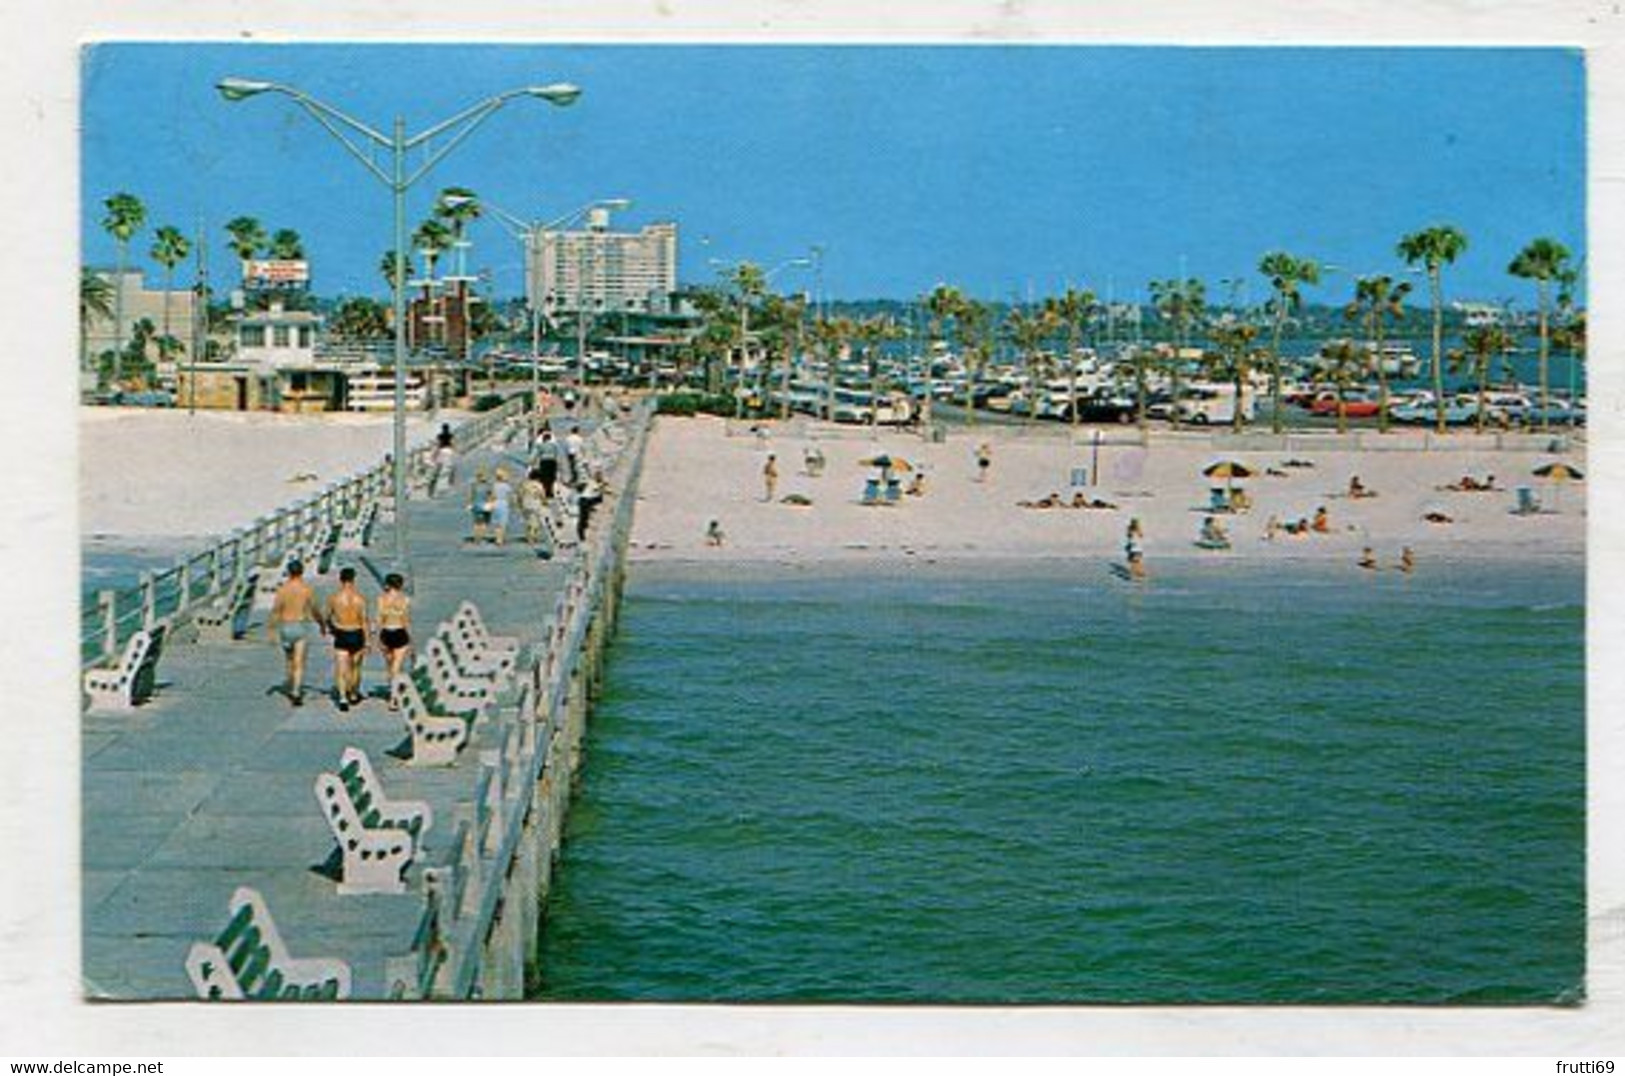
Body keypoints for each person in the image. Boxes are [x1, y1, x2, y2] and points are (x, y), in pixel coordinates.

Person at [266, 558, 321, 707]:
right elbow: (315, 609)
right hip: (300, 626)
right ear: (301, 572)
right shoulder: (306, 589)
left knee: (289, 660)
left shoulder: (283, 589)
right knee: (299, 662)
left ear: (289, 572)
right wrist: (322, 624)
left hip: (285, 626)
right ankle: (296, 691)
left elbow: (276, 611)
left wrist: (271, 630)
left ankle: (290, 684)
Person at [326, 567, 368, 711]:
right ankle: (354, 694)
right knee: (356, 667)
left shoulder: (334, 598)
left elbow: (328, 618)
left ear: (340, 579)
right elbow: (364, 621)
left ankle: (343, 698)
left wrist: (332, 629)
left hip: (342, 633)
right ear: (353, 579)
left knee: (341, 668)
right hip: (357, 633)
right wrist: (367, 641)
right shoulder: (360, 599)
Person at [374, 573, 412, 709]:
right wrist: (411, 639)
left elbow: (379, 620)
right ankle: (394, 698)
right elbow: (406, 621)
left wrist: (377, 638)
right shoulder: (405, 600)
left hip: (386, 632)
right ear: (401, 585)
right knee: (396, 666)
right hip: (400, 632)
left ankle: (393, 690)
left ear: (387, 584)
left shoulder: (381, 599)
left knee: (390, 666)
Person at [520, 467, 548, 545]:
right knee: (535, 523)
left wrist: (520, 504)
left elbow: (520, 494)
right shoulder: (539, 485)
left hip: (525, 504)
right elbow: (542, 495)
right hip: (535, 505)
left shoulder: (525, 484)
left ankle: (529, 536)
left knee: (528, 521)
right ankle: (532, 538)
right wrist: (545, 502)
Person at [575, 469, 605, 542]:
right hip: (585, 500)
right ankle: (581, 536)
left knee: (585, 517)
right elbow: (597, 489)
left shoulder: (595, 483)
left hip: (587, 500)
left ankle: (582, 532)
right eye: (599, 476)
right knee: (583, 518)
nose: (600, 477)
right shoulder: (593, 483)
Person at [532, 429, 562, 499]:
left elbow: (535, 454)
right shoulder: (554, 445)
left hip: (544, 462)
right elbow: (558, 454)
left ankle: (546, 492)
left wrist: (531, 462)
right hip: (552, 462)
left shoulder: (540, 445)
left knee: (545, 478)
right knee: (551, 477)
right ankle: (551, 491)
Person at [467, 467, 493, 543]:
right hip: (485, 505)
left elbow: (470, 495)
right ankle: (481, 536)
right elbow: (490, 496)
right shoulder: (488, 486)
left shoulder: (473, 485)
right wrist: (491, 504)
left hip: (476, 505)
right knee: (485, 522)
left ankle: (476, 537)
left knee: (476, 522)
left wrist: (469, 504)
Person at [489, 466, 514, 546]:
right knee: (503, 523)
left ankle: (497, 538)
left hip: (496, 503)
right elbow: (510, 496)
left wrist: (491, 504)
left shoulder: (494, 485)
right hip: (504, 504)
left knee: (497, 523)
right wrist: (512, 504)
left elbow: (492, 496)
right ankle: (501, 539)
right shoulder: (507, 486)